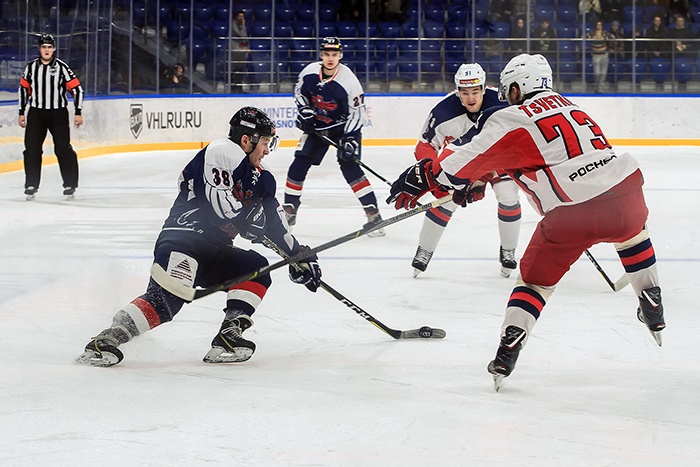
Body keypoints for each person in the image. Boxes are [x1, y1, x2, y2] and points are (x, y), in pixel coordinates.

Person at [387, 53, 665, 391]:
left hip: (571, 215)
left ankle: (508, 347)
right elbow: (522, 160)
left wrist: (428, 176)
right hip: (626, 189)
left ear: (518, 88)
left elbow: (466, 161)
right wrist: (474, 183)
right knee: (633, 233)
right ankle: (650, 296)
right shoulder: (570, 105)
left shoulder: (510, 118)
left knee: (534, 284)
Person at [75, 107, 323, 367]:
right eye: (264, 142)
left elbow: (276, 225)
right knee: (167, 301)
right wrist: (251, 217)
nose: (268, 149)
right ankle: (106, 339)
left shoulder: (263, 179)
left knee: (256, 268)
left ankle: (229, 335)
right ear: (246, 140)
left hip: (215, 250)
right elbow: (223, 208)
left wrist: (298, 257)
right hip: (184, 240)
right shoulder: (222, 151)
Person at [410, 63, 521, 279]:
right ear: (458, 91)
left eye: (475, 92)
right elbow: (424, 146)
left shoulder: (502, 103)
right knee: (446, 200)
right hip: (462, 164)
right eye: (465, 93)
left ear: (483, 88)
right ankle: (424, 250)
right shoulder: (443, 111)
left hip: (498, 161)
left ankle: (509, 251)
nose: (471, 98)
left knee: (508, 196)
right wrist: (434, 177)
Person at [283, 37, 385, 237]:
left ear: (340, 55)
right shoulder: (309, 72)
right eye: (327, 54)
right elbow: (299, 93)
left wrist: (349, 139)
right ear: (321, 55)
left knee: (351, 168)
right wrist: (305, 110)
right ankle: (289, 212)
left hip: (344, 129)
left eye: (334, 54)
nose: (330, 58)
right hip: (318, 128)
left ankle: (374, 216)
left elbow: (357, 112)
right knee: (298, 165)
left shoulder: (348, 81)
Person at [18, 33, 84, 201]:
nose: (46, 50)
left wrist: (78, 112)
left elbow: (77, 89)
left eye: (49, 47)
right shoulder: (31, 67)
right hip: (36, 112)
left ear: (54, 49)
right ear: (39, 49)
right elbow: (24, 90)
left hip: (58, 113)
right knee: (32, 149)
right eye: (43, 47)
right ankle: (31, 184)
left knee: (63, 148)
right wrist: (21, 112)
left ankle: (70, 184)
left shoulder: (62, 67)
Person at [587, 21, 614, 92]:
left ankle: (600, 88)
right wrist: (592, 38)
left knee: (603, 73)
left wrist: (607, 38)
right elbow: (584, 37)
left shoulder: (605, 33)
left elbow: (613, 37)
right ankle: (596, 86)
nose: (599, 26)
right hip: (596, 56)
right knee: (597, 73)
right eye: (598, 25)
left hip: (604, 55)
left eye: (600, 25)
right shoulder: (592, 33)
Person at [230, 10, 249, 93]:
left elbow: (245, 38)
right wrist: (243, 26)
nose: (241, 18)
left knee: (241, 69)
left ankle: (239, 87)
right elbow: (241, 35)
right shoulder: (233, 24)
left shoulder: (241, 25)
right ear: (236, 17)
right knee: (236, 69)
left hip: (242, 50)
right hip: (235, 49)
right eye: (240, 16)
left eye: (242, 16)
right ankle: (233, 87)